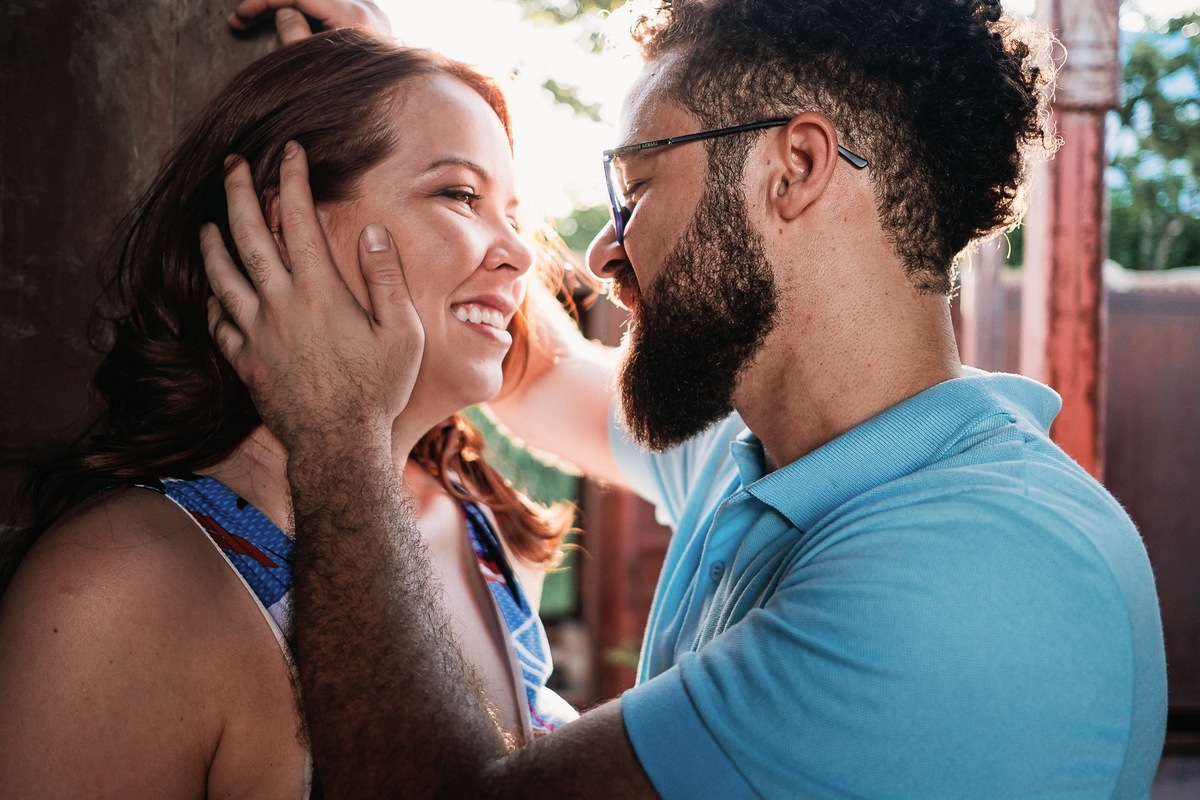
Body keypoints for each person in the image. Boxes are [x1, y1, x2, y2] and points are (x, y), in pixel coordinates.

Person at [204, 0, 1169, 797]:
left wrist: (339, 434)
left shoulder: (966, 576)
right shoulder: (762, 456)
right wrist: (407, 92)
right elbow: (535, 372)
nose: (602, 252)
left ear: (794, 168)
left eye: (636, 189)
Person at [0, 29, 579, 798]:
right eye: (460, 195)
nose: (521, 253)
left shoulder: (475, 526)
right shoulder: (117, 589)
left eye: (512, 211)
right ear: (284, 228)